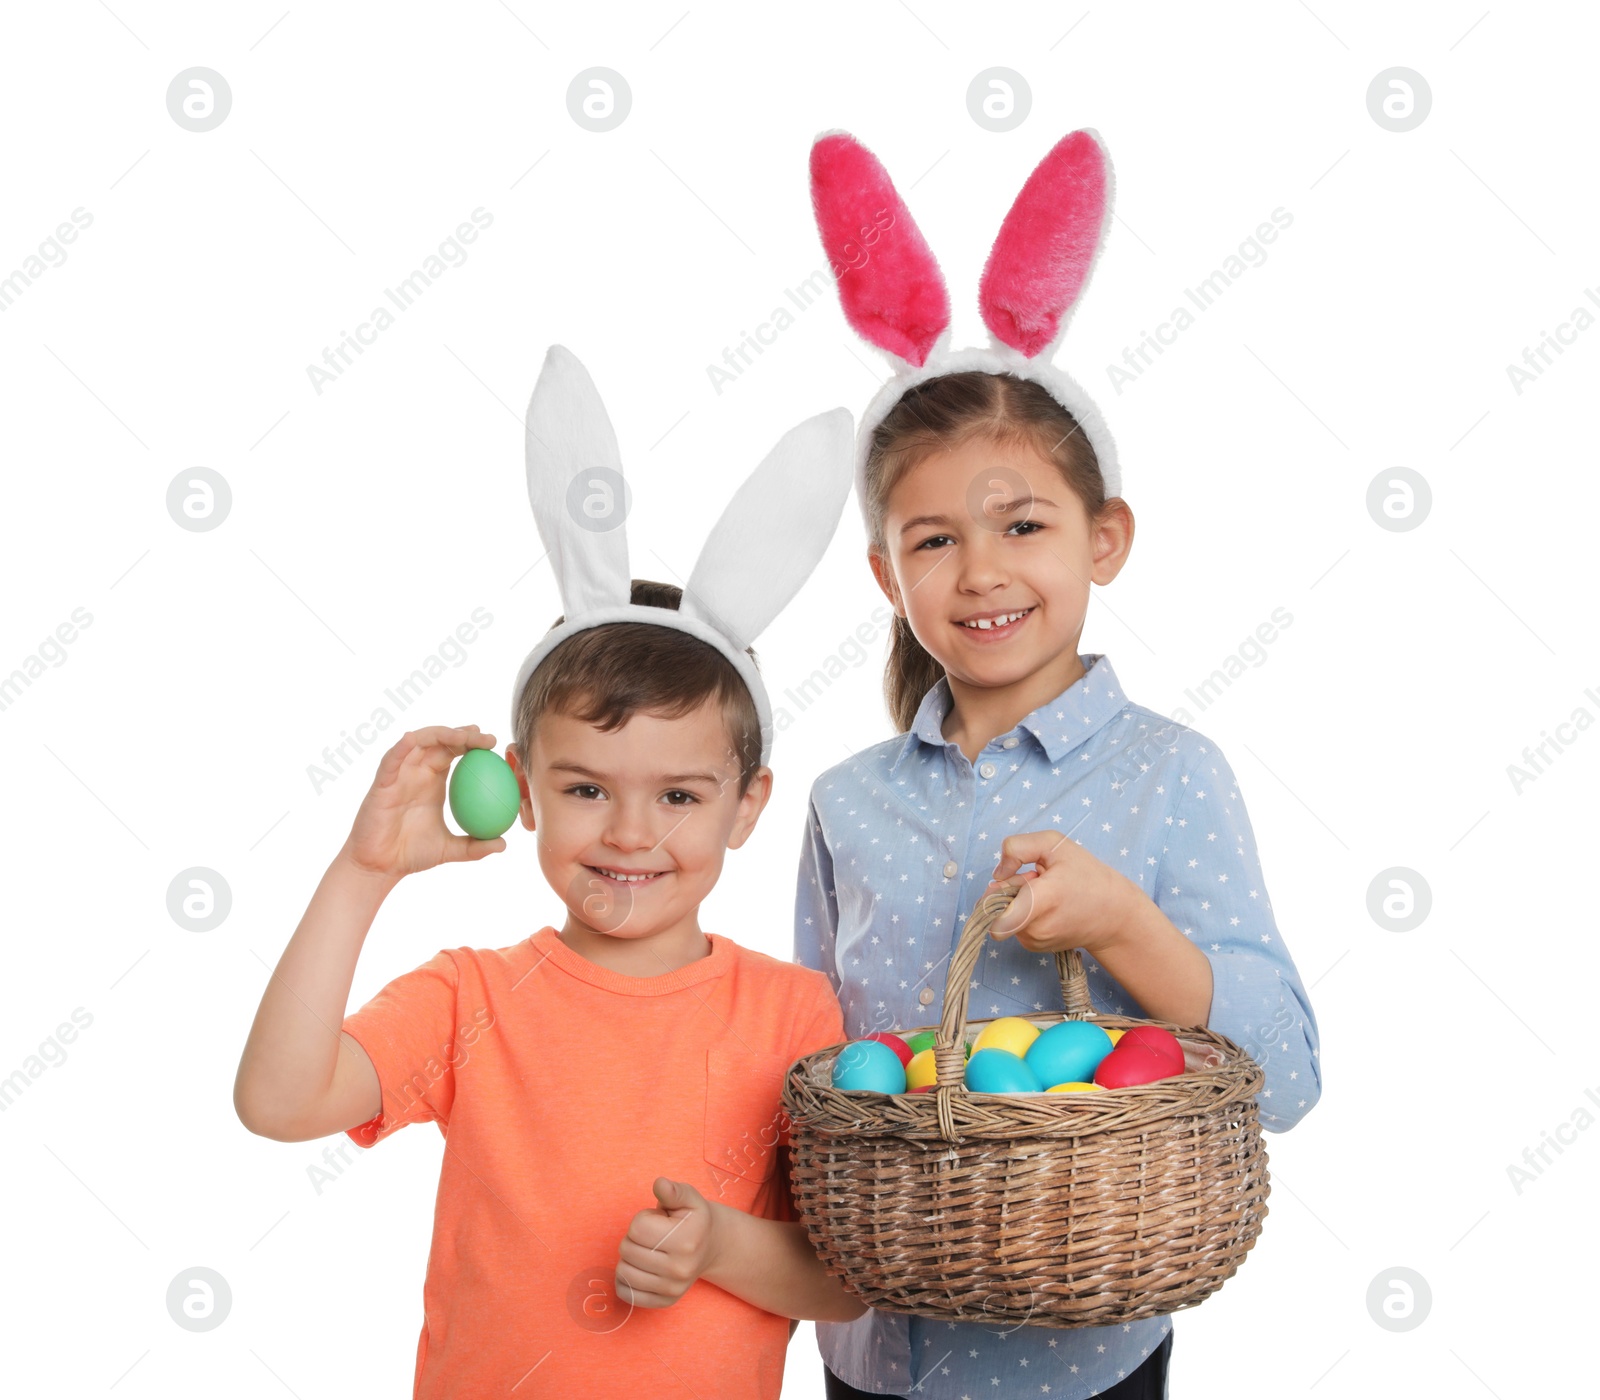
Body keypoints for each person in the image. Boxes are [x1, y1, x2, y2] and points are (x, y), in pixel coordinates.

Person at [794, 131, 1323, 1398]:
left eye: (1022, 524)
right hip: (868, 1343)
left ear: (1104, 537)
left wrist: (1128, 928)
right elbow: (809, 1062)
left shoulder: (1169, 776)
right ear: (885, 574)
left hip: (1079, 1355)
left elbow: (1290, 1073)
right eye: (933, 539)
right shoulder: (843, 799)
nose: (979, 570)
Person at [234, 344, 866, 1399]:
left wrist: (719, 1247)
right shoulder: (468, 995)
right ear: (523, 789)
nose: (629, 832)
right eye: (585, 789)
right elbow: (279, 1099)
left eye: (677, 794)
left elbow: (841, 1281)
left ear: (744, 805)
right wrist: (362, 871)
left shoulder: (792, 1011)